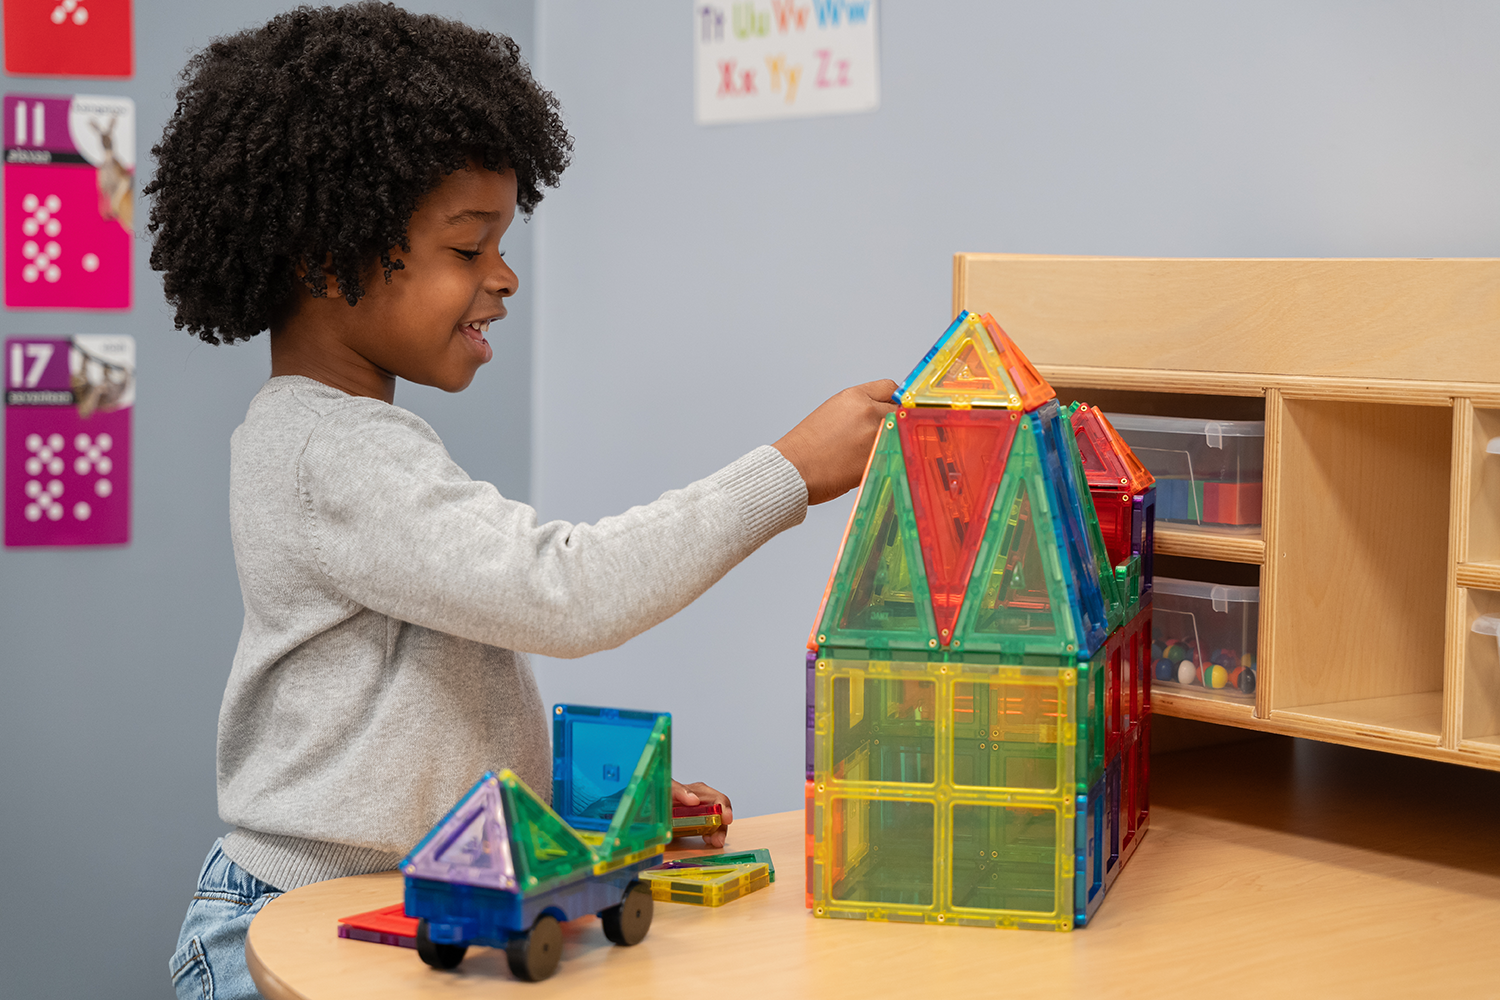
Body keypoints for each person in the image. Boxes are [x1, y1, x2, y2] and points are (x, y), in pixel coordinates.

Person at [146, 5, 895, 998]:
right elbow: (565, 591)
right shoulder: (335, 453)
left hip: (389, 905)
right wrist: (790, 470)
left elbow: (420, 722)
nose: (502, 278)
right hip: (293, 920)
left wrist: (547, 821)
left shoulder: (351, 443)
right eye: (469, 248)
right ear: (329, 259)